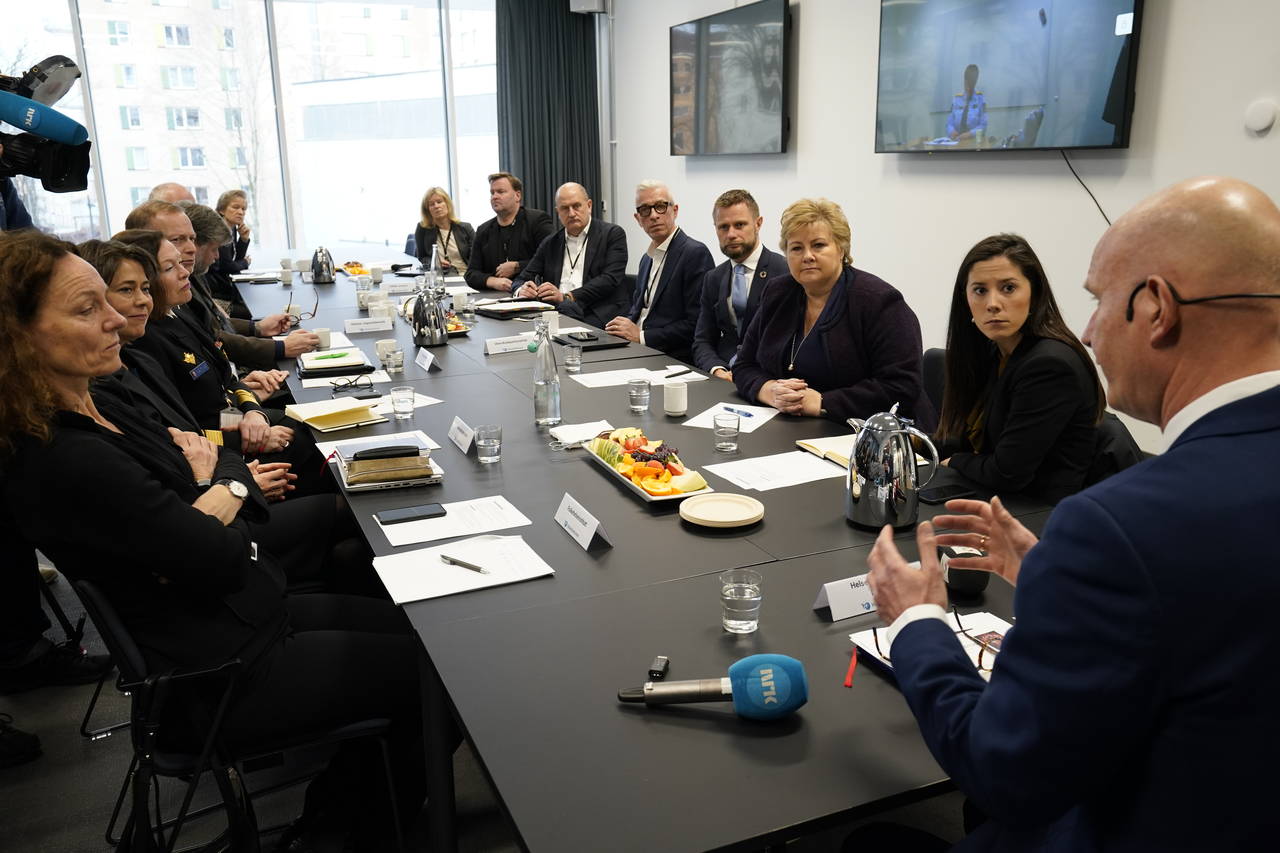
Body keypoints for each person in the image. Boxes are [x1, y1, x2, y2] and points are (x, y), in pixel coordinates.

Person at [865, 176, 1280, 851]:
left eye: (1097, 302)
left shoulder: (1117, 526)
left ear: (1155, 309)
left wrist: (916, 619)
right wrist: (1055, 586)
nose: (1086, 331)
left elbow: (1006, 770)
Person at [0, 229, 431, 849]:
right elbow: (217, 543)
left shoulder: (103, 403)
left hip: (248, 616)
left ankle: (341, 816)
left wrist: (212, 484)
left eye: (118, 297)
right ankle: (336, 833)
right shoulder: (64, 457)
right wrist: (222, 484)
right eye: (90, 307)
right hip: (221, 669)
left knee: (422, 632)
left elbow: (206, 460)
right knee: (435, 677)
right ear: (18, 336)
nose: (120, 318)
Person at [933, 234, 1104, 502]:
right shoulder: (997, 349)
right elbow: (966, 439)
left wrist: (955, 462)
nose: (992, 303)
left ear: (1034, 294)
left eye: (1008, 288)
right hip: (999, 498)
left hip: (1040, 513)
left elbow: (1007, 473)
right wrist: (914, 447)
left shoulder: (1049, 365)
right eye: (980, 290)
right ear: (965, 299)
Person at [733, 198, 932, 425]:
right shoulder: (778, 292)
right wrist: (769, 391)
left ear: (841, 249)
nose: (807, 255)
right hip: (792, 428)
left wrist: (822, 402)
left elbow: (902, 387)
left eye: (818, 245)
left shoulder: (879, 302)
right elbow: (744, 365)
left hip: (871, 437)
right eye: (796, 248)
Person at [125, 200, 316, 367]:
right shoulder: (158, 303)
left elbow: (212, 329)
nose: (191, 248)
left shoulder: (185, 280)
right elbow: (213, 339)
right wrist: (279, 347)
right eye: (177, 240)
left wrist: (256, 328)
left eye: (192, 239)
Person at [606, 180, 714, 363]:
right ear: (638, 219)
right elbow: (639, 310)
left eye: (660, 206)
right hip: (636, 349)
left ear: (675, 210)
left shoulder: (695, 253)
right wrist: (618, 329)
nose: (654, 215)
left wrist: (641, 336)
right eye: (645, 210)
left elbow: (696, 324)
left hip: (671, 357)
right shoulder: (646, 258)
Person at [691, 189, 789, 380]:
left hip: (767, 377)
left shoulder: (784, 271)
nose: (731, 234)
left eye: (739, 225)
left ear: (758, 223)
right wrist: (716, 369)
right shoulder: (713, 278)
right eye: (723, 227)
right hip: (723, 377)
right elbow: (702, 340)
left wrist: (745, 373)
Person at [513, 182, 629, 329]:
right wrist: (522, 290)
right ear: (558, 212)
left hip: (598, 312)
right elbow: (521, 279)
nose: (572, 213)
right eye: (565, 208)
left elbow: (610, 279)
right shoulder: (550, 243)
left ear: (589, 205)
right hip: (558, 312)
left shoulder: (612, 234)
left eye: (576, 206)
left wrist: (567, 297)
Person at [464, 172, 554, 292]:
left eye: (501, 192)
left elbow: (551, 259)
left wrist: (518, 266)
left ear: (517, 195)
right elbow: (471, 274)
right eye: (492, 192)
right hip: (495, 298)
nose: (494, 196)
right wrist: (492, 281)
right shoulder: (483, 230)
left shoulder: (537, 221)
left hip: (532, 294)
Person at [206, 189, 253, 318]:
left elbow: (234, 261)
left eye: (243, 209)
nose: (240, 212)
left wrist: (243, 240)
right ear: (221, 210)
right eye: (235, 207)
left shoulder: (232, 227)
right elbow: (228, 267)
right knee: (251, 311)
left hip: (226, 289)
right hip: (217, 296)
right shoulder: (219, 229)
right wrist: (245, 263)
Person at [413, 186, 474, 274]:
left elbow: (477, 257)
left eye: (439, 202)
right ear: (427, 210)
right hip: (440, 276)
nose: (436, 206)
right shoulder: (422, 228)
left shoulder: (466, 228)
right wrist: (434, 262)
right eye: (431, 204)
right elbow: (422, 257)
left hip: (466, 275)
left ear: (447, 204)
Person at [946, 64, 987, 142]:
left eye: (971, 84)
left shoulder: (980, 99)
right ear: (964, 81)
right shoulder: (956, 99)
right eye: (967, 83)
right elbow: (949, 123)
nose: (968, 87)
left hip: (973, 142)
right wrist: (951, 131)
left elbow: (983, 125)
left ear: (975, 82)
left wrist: (970, 134)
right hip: (956, 141)